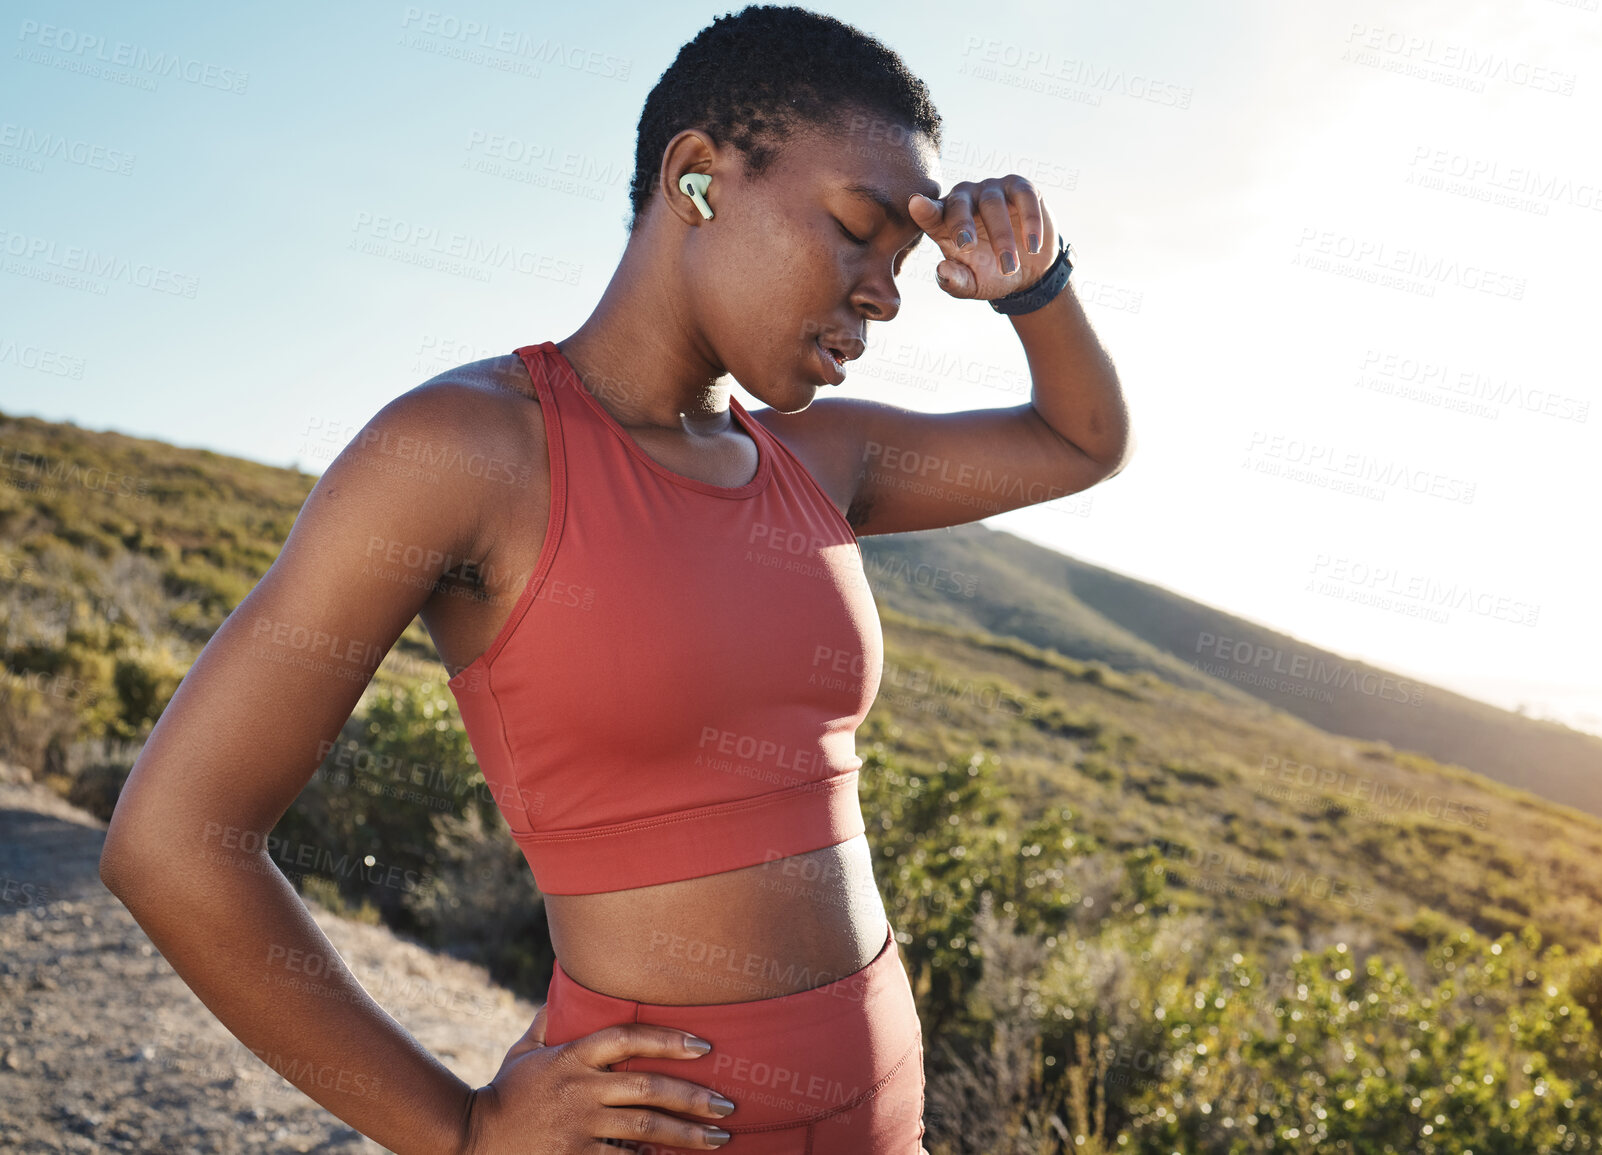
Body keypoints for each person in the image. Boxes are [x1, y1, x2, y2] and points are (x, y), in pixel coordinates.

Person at [98, 5, 1133, 1152]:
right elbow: (174, 838)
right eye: (857, 229)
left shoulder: (818, 460)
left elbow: (1078, 442)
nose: (886, 293)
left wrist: (1034, 283)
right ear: (696, 178)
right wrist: (463, 1132)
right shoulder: (467, 449)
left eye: (903, 259)